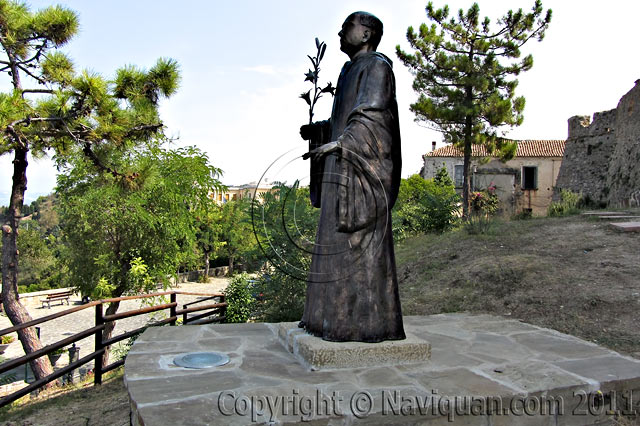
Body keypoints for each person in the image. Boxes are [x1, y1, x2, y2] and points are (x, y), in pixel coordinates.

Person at [299, 11, 405, 342]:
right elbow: (345, 119)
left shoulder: (377, 67)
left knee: (359, 249)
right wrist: (320, 132)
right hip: (340, 167)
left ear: (367, 34)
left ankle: (366, 324)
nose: (340, 32)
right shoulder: (348, 70)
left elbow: (373, 117)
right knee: (333, 247)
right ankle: (327, 320)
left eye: (347, 26)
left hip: (359, 170)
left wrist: (343, 143)